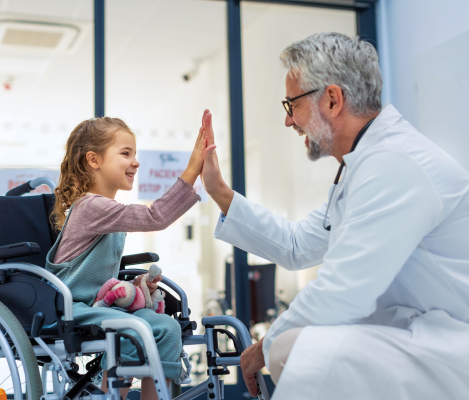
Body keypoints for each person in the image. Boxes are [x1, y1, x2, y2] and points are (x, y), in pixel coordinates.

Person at [200, 32, 469, 400]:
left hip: (448, 343)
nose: (288, 120)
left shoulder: (395, 165)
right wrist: (218, 191)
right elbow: (295, 245)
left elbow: (342, 292)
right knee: (290, 347)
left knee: (295, 349)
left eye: (291, 104)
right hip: (411, 333)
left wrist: (262, 347)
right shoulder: (364, 166)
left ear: (331, 99)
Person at [46, 116, 207, 399]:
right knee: (135, 327)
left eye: (135, 154)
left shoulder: (106, 209)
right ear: (93, 160)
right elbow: (155, 216)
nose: (136, 162)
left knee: (167, 327)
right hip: (74, 305)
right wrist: (194, 167)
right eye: (125, 153)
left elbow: (103, 278)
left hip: (101, 304)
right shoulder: (91, 207)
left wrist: (138, 286)